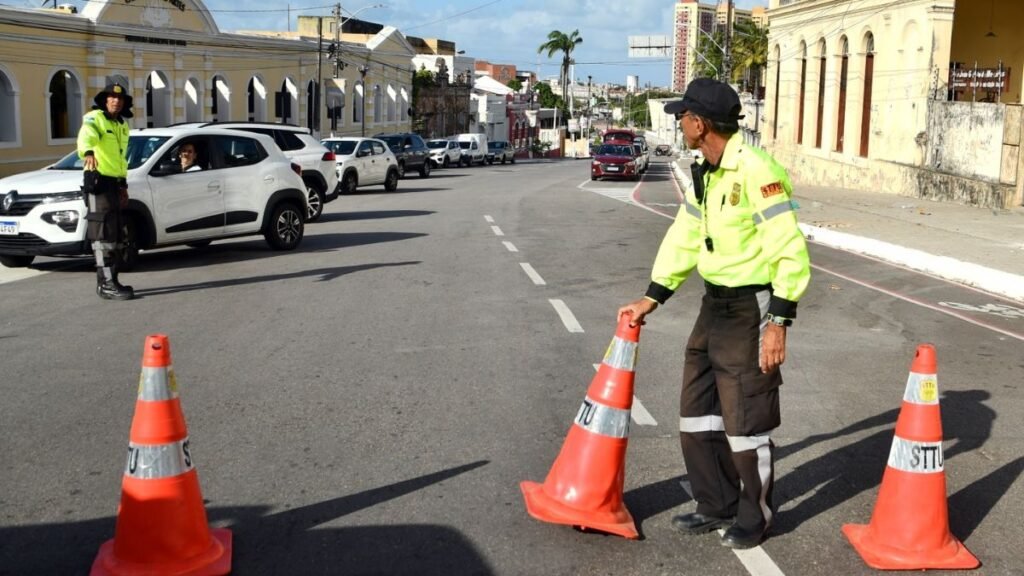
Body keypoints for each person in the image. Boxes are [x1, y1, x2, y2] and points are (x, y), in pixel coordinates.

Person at [617, 78, 810, 549]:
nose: (679, 123)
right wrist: (652, 297)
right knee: (697, 409)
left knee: (746, 419)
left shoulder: (756, 171)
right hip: (714, 304)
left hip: (750, 306)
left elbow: (788, 247)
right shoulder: (707, 171)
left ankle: (755, 516)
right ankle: (716, 503)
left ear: (700, 124)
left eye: (683, 116)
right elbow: (685, 237)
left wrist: (779, 322)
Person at [77, 82, 135, 300]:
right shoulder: (95, 118)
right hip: (98, 181)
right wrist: (88, 151)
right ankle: (106, 284)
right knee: (102, 235)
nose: (116, 101)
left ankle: (112, 280)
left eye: (120, 98)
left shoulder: (122, 125)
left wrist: (123, 185)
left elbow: (120, 158)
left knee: (116, 235)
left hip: (114, 183)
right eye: (111, 97)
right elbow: (87, 134)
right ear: (104, 100)